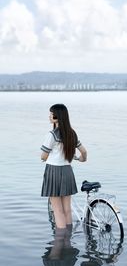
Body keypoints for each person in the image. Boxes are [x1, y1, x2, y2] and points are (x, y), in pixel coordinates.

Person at [40, 104, 87, 255]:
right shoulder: (72, 134)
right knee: (67, 209)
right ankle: (68, 244)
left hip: (54, 171)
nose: (49, 116)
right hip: (67, 172)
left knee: (57, 210)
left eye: (51, 114)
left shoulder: (52, 135)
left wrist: (44, 158)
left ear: (56, 117)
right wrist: (80, 159)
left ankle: (58, 247)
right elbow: (83, 151)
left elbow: (43, 156)